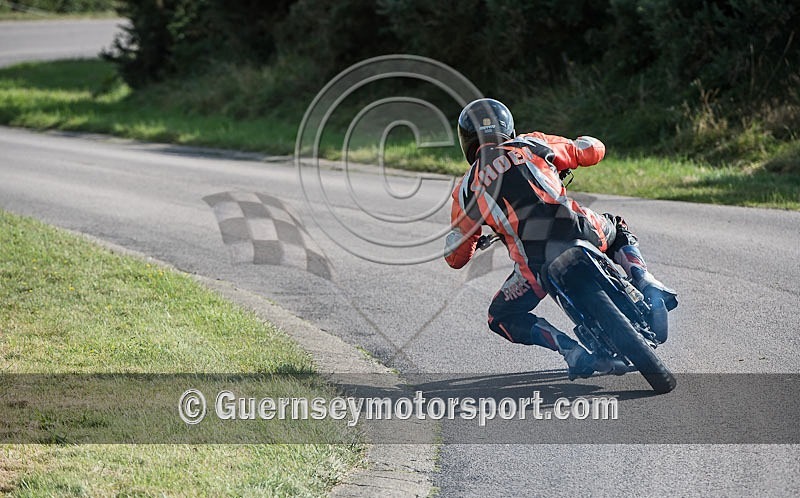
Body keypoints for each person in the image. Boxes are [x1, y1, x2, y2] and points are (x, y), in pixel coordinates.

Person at [444, 98, 678, 379]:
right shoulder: (532, 143)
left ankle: (569, 350)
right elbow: (591, 150)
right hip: (580, 229)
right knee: (616, 227)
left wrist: (468, 240)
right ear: (508, 126)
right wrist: (582, 148)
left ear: (465, 140)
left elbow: (456, 257)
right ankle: (645, 280)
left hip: (533, 264)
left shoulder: (465, 190)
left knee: (500, 317)